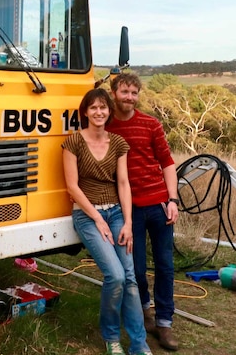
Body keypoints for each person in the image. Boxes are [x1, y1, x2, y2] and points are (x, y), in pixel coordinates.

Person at [62, 88, 153, 355]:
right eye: (93, 108)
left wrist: (127, 223)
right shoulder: (73, 142)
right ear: (85, 113)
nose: (99, 112)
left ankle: (139, 343)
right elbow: (72, 187)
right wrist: (95, 218)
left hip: (116, 213)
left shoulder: (118, 144)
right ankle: (111, 337)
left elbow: (123, 184)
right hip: (87, 215)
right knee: (114, 276)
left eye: (103, 107)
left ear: (109, 112)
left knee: (131, 277)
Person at [106, 72, 180, 352]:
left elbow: (167, 163)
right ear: (114, 93)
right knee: (135, 268)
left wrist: (172, 199)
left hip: (159, 204)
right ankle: (144, 310)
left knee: (164, 265)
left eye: (134, 93)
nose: (130, 97)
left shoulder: (151, 124)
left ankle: (164, 323)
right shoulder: (107, 126)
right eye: (124, 92)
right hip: (128, 209)